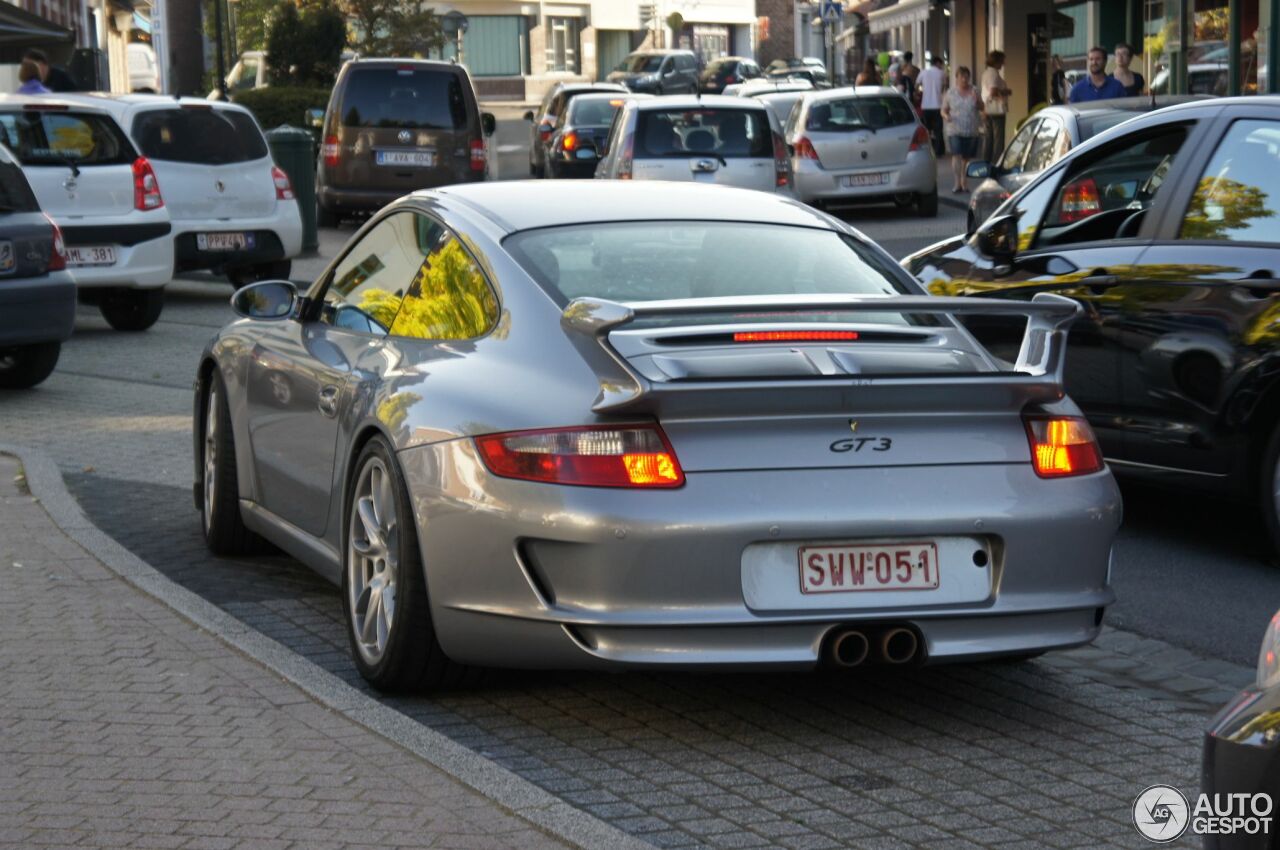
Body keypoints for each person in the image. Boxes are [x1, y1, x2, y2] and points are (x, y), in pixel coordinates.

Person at [942, 66, 983, 193]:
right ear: (957, 78)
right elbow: (943, 109)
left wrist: (977, 101)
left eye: (967, 77)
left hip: (971, 129)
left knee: (966, 158)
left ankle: (964, 179)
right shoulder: (950, 93)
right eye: (962, 77)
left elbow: (982, 106)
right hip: (954, 129)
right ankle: (957, 181)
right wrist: (946, 116)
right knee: (956, 154)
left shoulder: (974, 90)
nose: (964, 80)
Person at [981, 50, 1011, 165]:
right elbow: (993, 91)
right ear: (997, 61)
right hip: (996, 110)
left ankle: (986, 161)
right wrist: (1005, 92)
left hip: (987, 109)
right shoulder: (993, 74)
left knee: (988, 137)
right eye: (1002, 60)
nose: (1003, 63)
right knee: (998, 138)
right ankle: (996, 162)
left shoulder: (986, 73)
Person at [917, 56, 946, 156]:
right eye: (941, 64)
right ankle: (939, 151)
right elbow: (944, 86)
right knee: (938, 130)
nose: (941, 66)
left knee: (927, 130)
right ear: (937, 63)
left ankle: (927, 151)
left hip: (925, 105)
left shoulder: (924, 72)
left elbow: (917, 84)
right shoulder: (941, 73)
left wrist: (920, 92)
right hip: (937, 105)